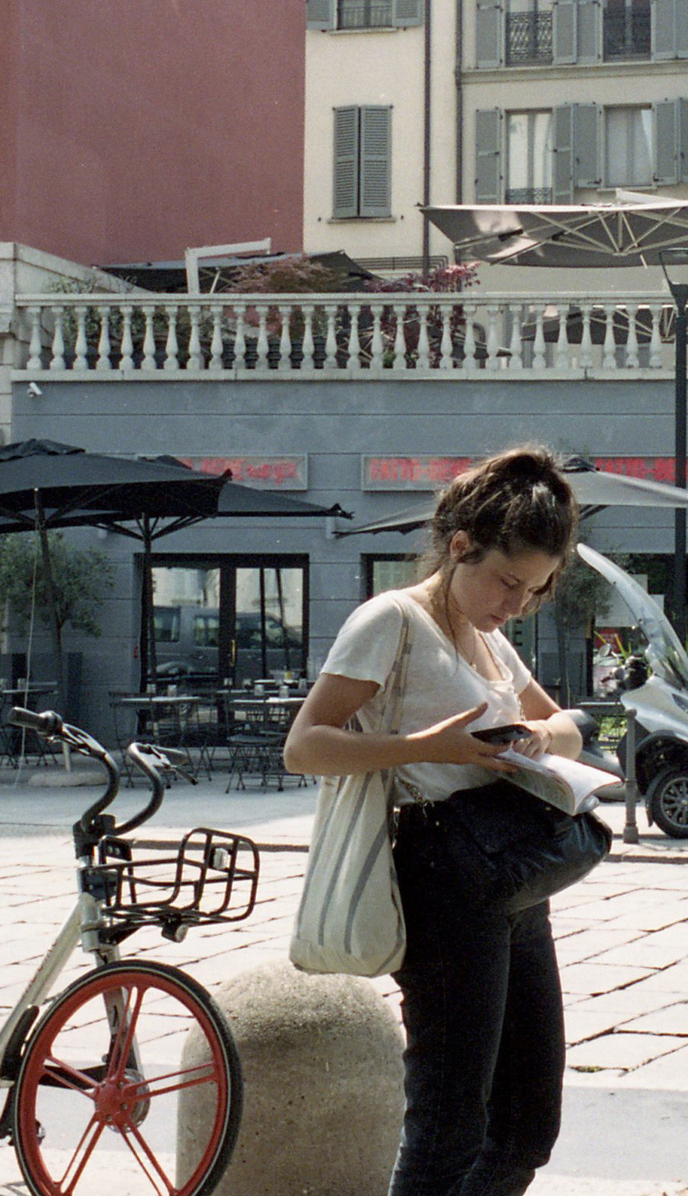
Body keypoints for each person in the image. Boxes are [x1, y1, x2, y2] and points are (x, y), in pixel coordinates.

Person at [284, 446, 585, 1196]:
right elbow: (303, 746)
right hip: (439, 869)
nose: (514, 602)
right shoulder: (392, 619)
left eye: (535, 590)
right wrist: (429, 747)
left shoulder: (489, 639)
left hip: (511, 872)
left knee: (526, 1124)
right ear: (460, 547)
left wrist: (539, 739)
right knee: (449, 1124)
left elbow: (569, 725)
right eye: (508, 581)